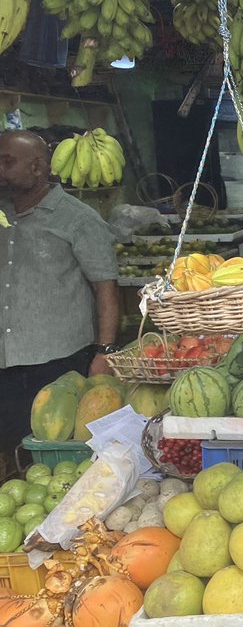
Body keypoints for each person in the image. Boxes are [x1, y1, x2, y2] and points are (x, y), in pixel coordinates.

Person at [0, 130, 119, 451]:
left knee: (54, 449)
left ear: (37, 168)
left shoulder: (77, 219)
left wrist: (105, 351)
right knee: (10, 452)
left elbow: (106, 288)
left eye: (6, 162)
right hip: (5, 363)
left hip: (57, 363)